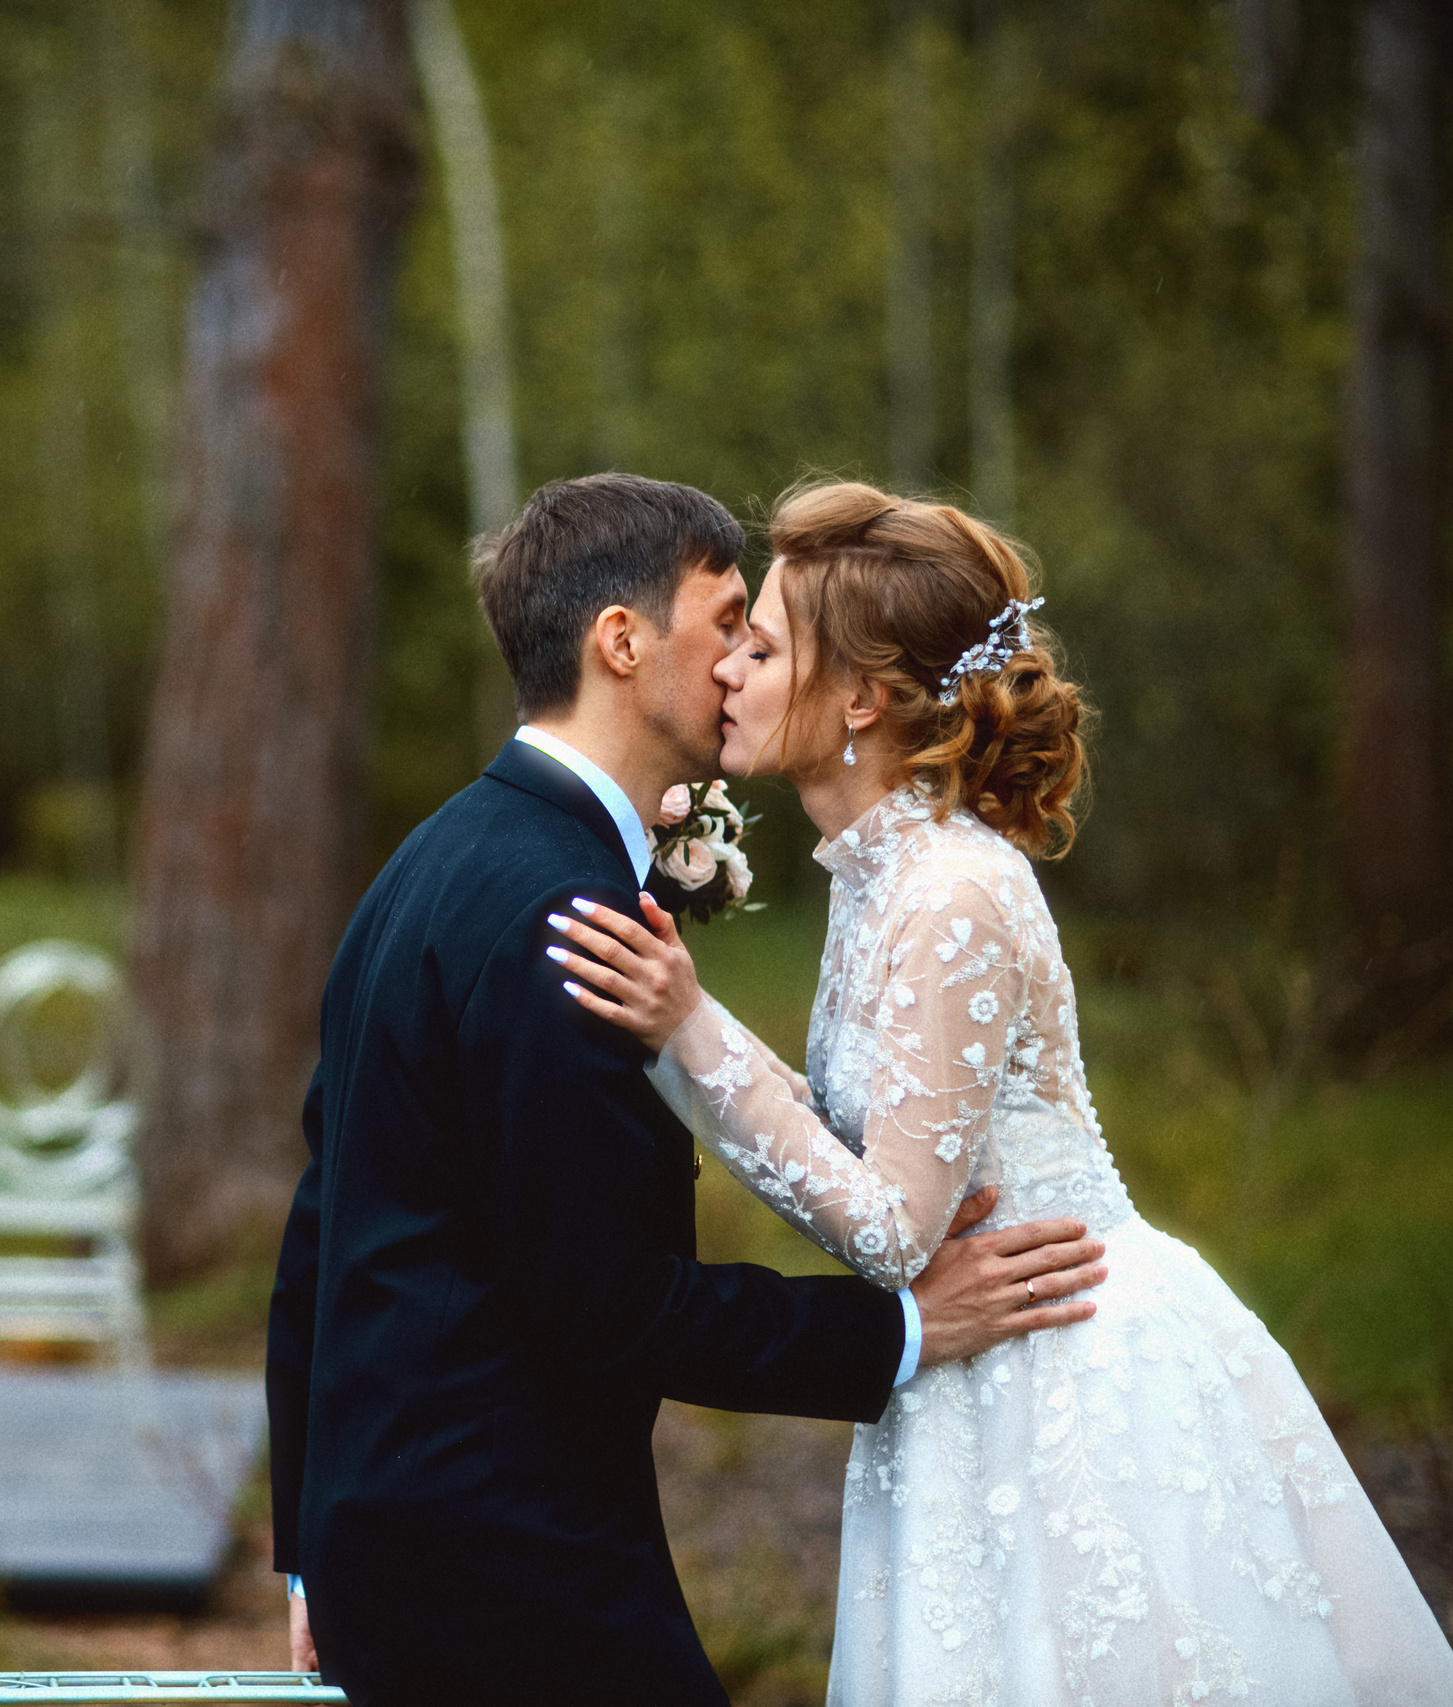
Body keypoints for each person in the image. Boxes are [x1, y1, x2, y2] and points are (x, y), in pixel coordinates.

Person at [548, 480, 1453, 1706]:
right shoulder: (879, 875)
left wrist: (691, 1028)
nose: (728, 670)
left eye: (761, 649)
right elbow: (857, 1138)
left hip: (1062, 1368)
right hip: (971, 1365)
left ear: (860, 699)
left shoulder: (953, 891)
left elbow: (894, 1229)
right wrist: (681, 1038)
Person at [266, 473, 1111, 1707]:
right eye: (727, 626)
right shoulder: (568, 916)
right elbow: (607, 1303)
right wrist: (903, 1332)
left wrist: (310, 1549)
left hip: (404, 1537)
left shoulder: (433, 858)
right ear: (621, 642)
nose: (739, 665)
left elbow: (322, 1228)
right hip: (503, 1562)